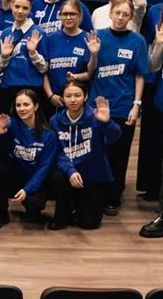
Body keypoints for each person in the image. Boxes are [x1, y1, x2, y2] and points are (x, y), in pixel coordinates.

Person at [86, 0, 149, 214]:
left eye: (125, 14)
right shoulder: (98, 36)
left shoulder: (138, 41)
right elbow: (90, 71)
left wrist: (136, 105)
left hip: (123, 107)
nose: (121, 17)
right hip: (97, 106)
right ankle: (94, 194)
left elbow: (139, 76)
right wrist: (94, 54)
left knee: (119, 155)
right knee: (96, 152)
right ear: (111, 13)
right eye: (117, 13)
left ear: (130, 17)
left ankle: (114, 196)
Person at [49, 82, 121, 230]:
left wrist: (107, 122)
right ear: (62, 98)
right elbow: (57, 152)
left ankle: (79, 205)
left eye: (77, 95)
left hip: (92, 173)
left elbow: (115, 137)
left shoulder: (96, 116)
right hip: (69, 172)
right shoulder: (54, 120)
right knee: (57, 176)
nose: (73, 100)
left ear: (86, 96)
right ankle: (67, 207)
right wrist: (70, 171)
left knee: (89, 224)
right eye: (68, 96)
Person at [0, 89, 58, 230]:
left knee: (33, 206)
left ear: (35, 106)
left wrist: (27, 189)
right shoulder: (10, 124)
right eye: (18, 105)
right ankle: (0, 212)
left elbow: (44, 169)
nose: (22, 109)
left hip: (36, 180)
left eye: (26, 104)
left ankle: (33, 210)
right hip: (16, 175)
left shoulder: (49, 135)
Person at [137, 0, 163, 201]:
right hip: (157, 83)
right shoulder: (155, 11)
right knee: (155, 139)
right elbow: (151, 55)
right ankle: (154, 187)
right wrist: (159, 45)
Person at [0, 0, 48, 112]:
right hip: (9, 87)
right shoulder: (6, 33)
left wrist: (33, 53)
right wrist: (4, 56)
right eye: (17, 6)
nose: (20, 11)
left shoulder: (38, 32)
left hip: (32, 88)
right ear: (12, 5)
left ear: (30, 9)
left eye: (25, 8)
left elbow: (44, 68)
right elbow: (0, 67)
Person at [43, 0, 92, 111]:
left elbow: (91, 74)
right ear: (60, 16)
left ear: (80, 16)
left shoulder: (88, 39)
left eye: (73, 14)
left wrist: (76, 77)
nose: (68, 17)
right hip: (54, 100)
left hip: (78, 100)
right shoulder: (50, 39)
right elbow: (44, 71)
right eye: (65, 14)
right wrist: (50, 95)